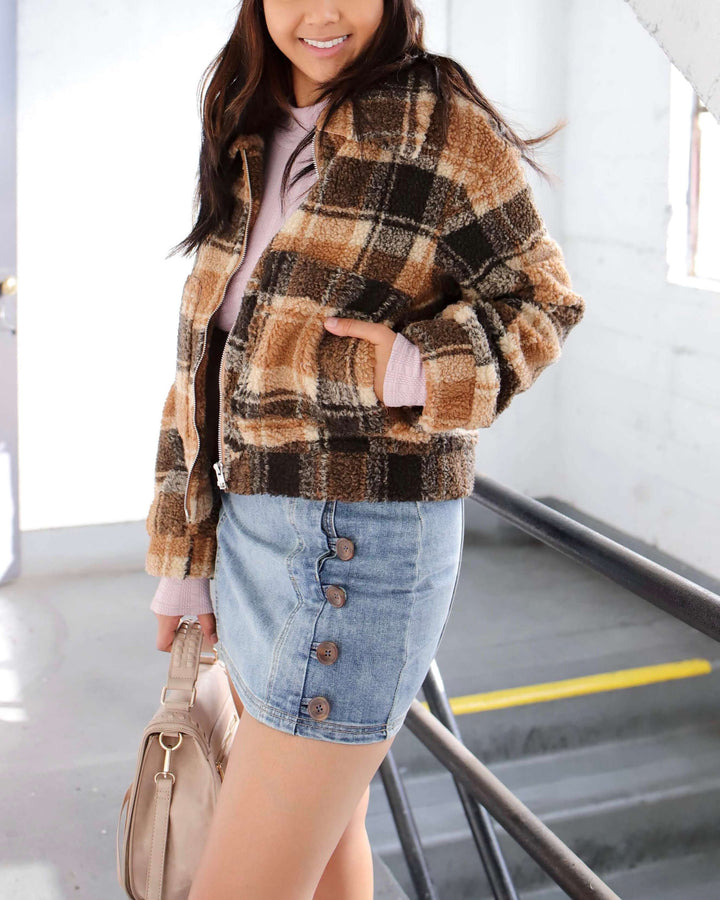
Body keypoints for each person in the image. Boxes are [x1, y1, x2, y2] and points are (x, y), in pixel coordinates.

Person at [144, 1, 585, 897]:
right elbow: (203, 363)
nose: (322, 12)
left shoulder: (441, 127)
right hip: (252, 539)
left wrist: (418, 367)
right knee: (330, 851)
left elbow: (544, 300)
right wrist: (185, 560)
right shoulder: (246, 119)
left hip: (358, 551)